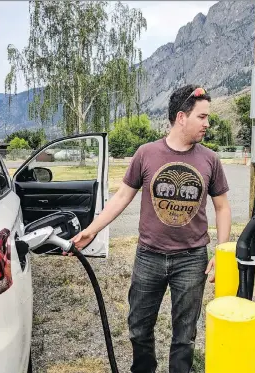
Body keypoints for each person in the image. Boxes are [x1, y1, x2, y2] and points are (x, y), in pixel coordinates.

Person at [72, 84, 232, 373]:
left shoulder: (210, 159)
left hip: (192, 258)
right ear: (181, 117)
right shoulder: (146, 154)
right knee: (138, 328)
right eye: (202, 117)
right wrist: (92, 229)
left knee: (185, 334)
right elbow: (121, 196)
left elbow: (222, 207)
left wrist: (221, 253)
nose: (208, 123)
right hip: (149, 256)